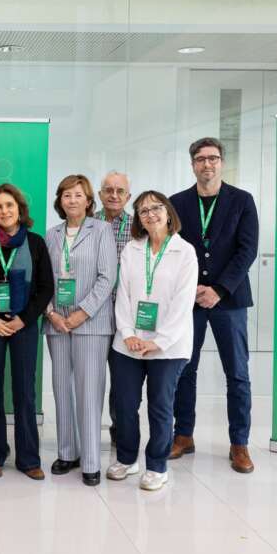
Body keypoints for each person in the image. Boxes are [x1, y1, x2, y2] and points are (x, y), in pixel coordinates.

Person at [169, 137, 259, 474]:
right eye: (201, 159)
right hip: (189, 300)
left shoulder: (242, 201)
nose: (207, 164)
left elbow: (247, 251)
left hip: (229, 299)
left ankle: (239, 443)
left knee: (237, 373)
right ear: (192, 164)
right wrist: (193, 288)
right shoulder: (177, 203)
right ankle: (183, 435)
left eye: (214, 158)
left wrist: (218, 289)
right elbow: (172, 250)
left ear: (222, 162)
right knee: (183, 369)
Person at [107, 191, 198, 491]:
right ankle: (127, 458)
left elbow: (183, 303)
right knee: (125, 404)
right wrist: (129, 334)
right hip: (129, 344)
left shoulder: (185, 252)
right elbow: (123, 296)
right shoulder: (132, 250)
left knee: (160, 406)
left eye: (156, 208)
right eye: (143, 211)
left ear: (168, 212)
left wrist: (158, 341)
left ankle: (157, 465)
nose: (150, 214)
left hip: (168, 348)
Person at [0, 184, 53, 480]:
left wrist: (24, 319)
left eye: (9, 205)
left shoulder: (35, 242)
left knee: (24, 391)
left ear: (19, 209)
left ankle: (29, 458)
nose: (4, 211)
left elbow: (46, 288)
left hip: (24, 325)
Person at [43, 174, 117, 486]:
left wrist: (80, 314)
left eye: (78, 195)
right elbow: (45, 280)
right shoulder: (52, 234)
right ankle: (67, 452)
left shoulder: (101, 231)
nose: (71, 200)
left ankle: (90, 461)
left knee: (88, 391)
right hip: (56, 322)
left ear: (89, 201)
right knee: (61, 388)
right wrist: (51, 313)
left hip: (91, 324)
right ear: (59, 201)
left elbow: (107, 277)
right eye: (66, 195)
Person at [95, 171, 133, 444]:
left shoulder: (138, 227)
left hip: (125, 317)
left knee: (122, 382)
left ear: (128, 197)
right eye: (108, 190)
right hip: (93, 315)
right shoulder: (86, 224)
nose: (114, 195)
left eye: (120, 191)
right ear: (99, 195)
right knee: (90, 379)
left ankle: (120, 432)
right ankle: (86, 431)